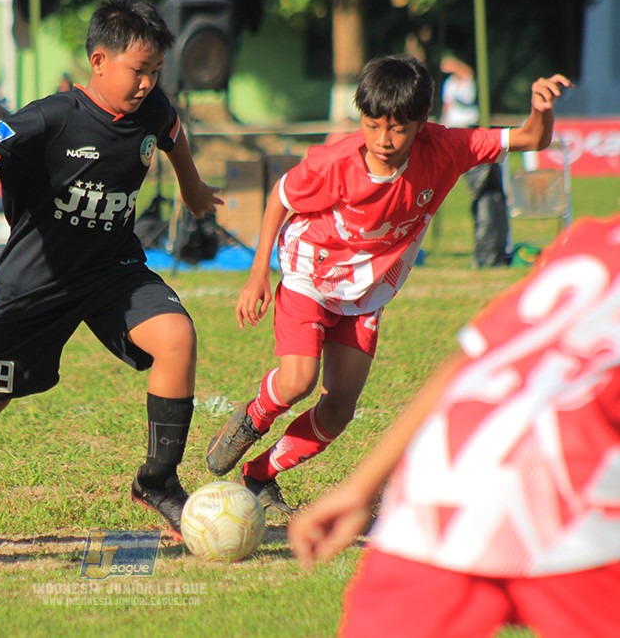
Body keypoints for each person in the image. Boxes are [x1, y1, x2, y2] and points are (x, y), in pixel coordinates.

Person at [0, 0, 222, 552]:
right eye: (138, 71)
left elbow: (173, 132)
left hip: (112, 269)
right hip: (36, 284)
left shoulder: (152, 109)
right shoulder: (54, 116)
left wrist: (191, 186)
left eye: (155, 72)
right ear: (99, 62)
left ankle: (157, 482)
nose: (147, 84)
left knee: (177, 336)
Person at [205, 55, 572, 516]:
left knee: (338, 410)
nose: (382, 140)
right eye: (372, 124)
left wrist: (540, 108)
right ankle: (252, 419)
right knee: (298, 380)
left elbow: (532, 137)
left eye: (397, 128)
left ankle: (260, 475)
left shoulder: (448, 148)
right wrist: (259, 273)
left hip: (368, 291)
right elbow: (281, 195)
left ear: (422, 123)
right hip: (310, 270)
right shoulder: (336, 162)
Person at [288, 213, 620, 638]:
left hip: (438, 485)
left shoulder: (587, 240)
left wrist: (360, 488)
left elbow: (466, 364)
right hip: (563, 483)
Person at [440, 54, 510, 268]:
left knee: (486, 191)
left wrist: (456, 64)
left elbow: (468, 73)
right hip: (452, 132)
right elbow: (447, 107)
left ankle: (489, 252)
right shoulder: (449, 84)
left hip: (469, 132)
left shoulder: (466, 81)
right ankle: (489, 252)